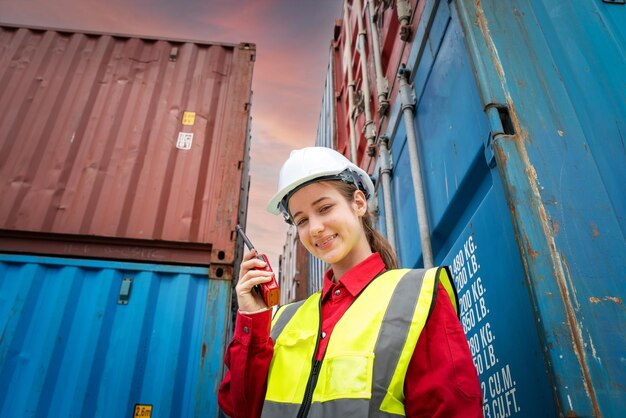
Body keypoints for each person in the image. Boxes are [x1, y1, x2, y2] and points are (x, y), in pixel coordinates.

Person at [218, 147, 482, 417]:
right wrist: (252, 317)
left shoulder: (417, 296)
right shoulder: (282, 321)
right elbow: (241, 409)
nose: (315, 227)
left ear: (358, 202)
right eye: (302, 220)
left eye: (324, 208)